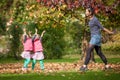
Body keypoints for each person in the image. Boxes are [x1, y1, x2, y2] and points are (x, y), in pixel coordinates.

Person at [80, 7, 114, 71]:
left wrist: (110, 32)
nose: (85, 12)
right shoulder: (90, 19)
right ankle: (107, 66)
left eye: (87, 11)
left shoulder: (95, 19)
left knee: (88, 50)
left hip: (96, 37)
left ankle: (84, 66)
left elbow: (102, 28)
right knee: (99, 53)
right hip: (96, 37)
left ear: (90, 12)